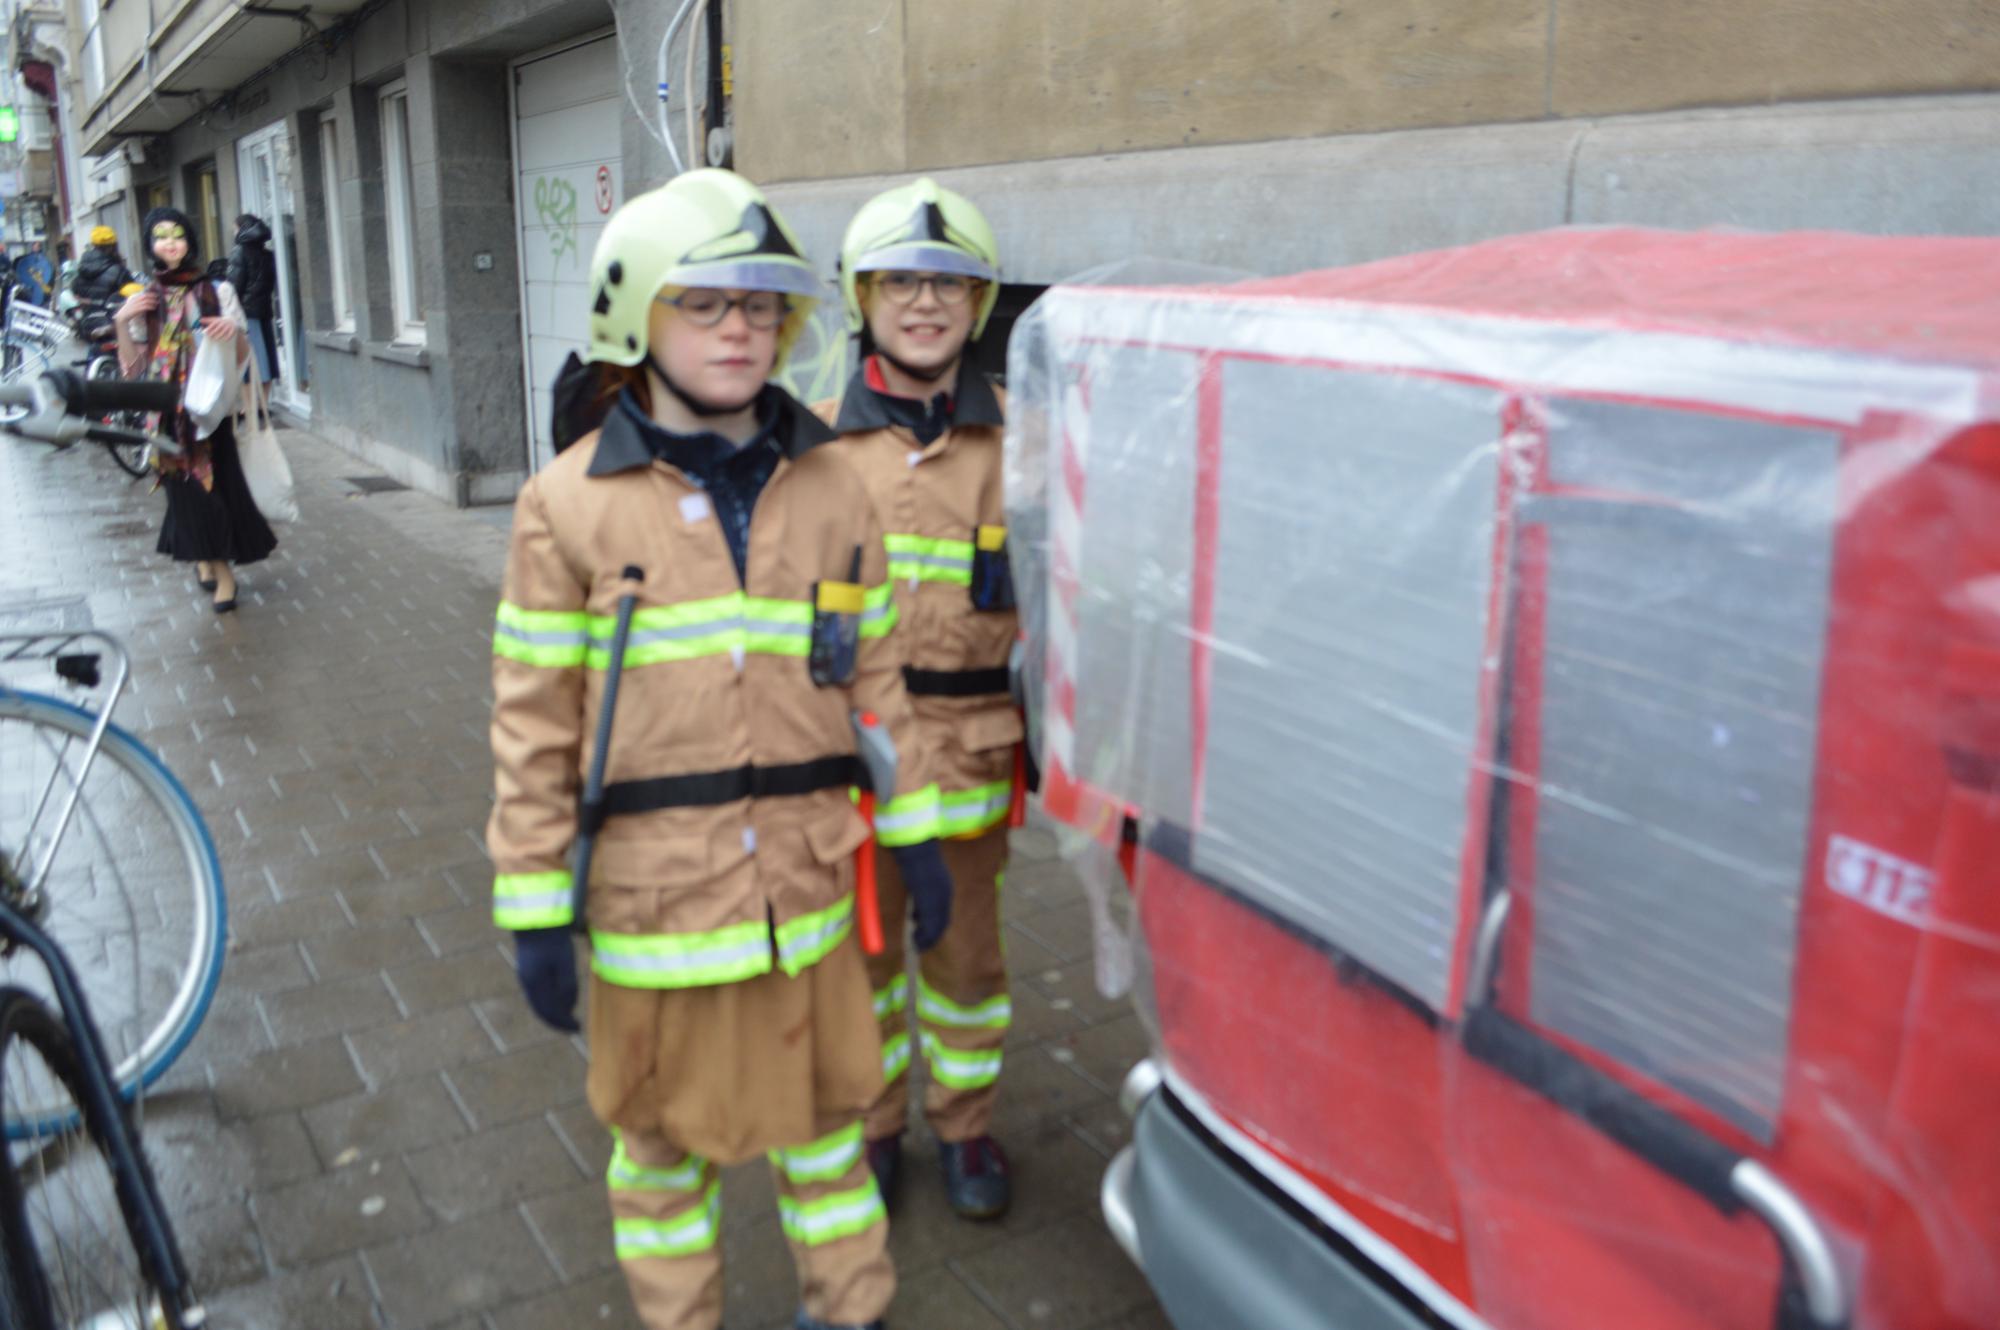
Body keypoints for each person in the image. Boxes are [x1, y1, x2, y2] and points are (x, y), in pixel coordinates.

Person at [486, 168, 958, 1330]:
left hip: (800, 900)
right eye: (704, 303)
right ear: (634, 313)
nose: (738, 329)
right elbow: (534, 722)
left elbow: (877, 686)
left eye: (757, 307)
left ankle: (852, 1312)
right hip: (656, 918)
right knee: (657, 1162)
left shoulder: (837, 486)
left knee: (826, 1139)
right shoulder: (565, 506)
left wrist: (921, 838)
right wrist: (534, 902)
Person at [818, 179, 1025, 1222]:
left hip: (975, 759)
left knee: (965, 959)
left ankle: (963, 1123)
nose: (925, 301)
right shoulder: (808, 446)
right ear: (864, 296)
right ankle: (873, 1124)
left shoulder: (1021, 449)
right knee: (860, 960)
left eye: (948, 281)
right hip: (852, 765)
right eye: (901, 279)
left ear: (977, 305)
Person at [116, 206, 277, 611]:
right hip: (167, 416)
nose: (170, 243)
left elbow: (242, 355)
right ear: (151, 245)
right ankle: (206, 559)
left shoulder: (217, 291)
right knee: (184, 496)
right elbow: (133, 367)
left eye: (178, 235)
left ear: (190, 241)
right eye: (161, 236)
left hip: (208, 414)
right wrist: (122, 323)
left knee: (211, 492)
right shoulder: (147, 298)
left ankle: (224, 573)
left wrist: (231, 332)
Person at [226, 214, 279, 388]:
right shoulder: (267, 254)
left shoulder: (239, 251)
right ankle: (264, 402)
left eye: (234, 229)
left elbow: (234, 286)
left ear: (242, 229)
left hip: (245, 313)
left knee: (249, 363)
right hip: (264, 310)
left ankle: (252, 408)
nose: (233, 233)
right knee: (267, 362)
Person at [73, 226, 134, 305]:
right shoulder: (120, 272)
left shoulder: (81, 269)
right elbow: (132, 297)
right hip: (113, 315)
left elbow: (75, 293)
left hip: (86, 316)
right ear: (111, 247)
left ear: (93, 245)